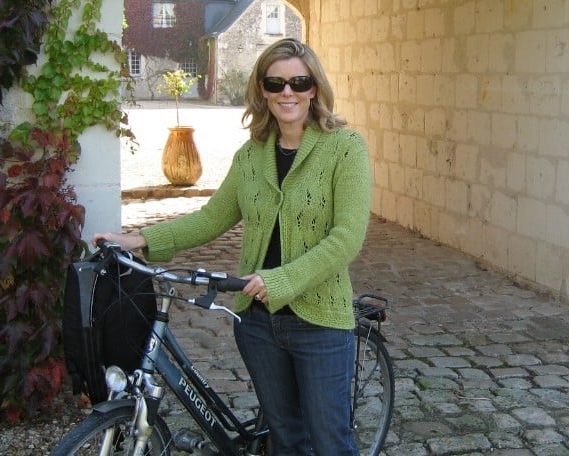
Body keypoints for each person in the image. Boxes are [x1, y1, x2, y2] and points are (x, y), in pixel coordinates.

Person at [94, 38, 372, 455]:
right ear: (262, 90)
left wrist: (281, 279)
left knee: (331, 442)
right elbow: (211, 218)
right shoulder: (251, 155)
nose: (287, 93)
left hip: (320, 323)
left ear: (314, 87)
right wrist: (139, 238)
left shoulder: (344, 149)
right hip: (257, 324)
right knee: (285, 439)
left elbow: (346, 238)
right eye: (275, 84)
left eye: (298, 81)